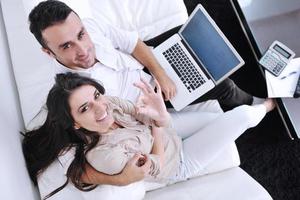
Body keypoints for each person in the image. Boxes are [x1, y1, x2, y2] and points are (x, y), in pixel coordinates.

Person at [27, 0, 261, 188]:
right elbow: (74, 168)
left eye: (81, 35)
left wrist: (160, 73)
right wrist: (120, 179)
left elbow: (133, 43)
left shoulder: (90, 26)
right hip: (150, 103)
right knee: (224, 85)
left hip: (146, 67)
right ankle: (257, 101)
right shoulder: (68, 92)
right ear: (48, 52)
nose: (83, 49)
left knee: (195, 38)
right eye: (66, 46)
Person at [22, 72, 275, 199]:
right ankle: (271, 104)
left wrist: (155, 114)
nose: (100, 108)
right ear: (74, 124)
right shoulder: (103, 156)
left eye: (95, 97)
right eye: (85, 109)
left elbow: (138, 113)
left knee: (219, 120)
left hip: (167, 134)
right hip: (177, 163)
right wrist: (157, 121)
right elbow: (156, 165)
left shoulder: (107, 103)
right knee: (242, 117)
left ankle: (260, 105)